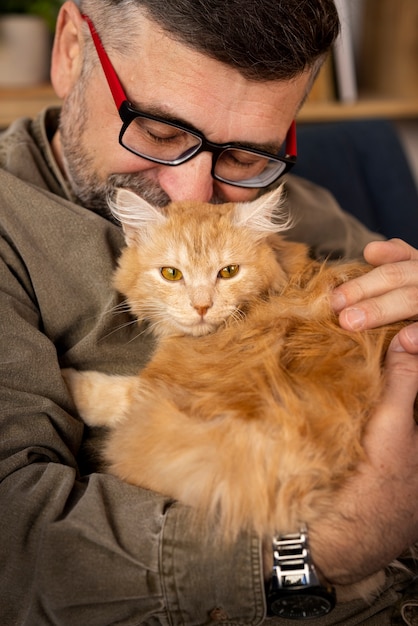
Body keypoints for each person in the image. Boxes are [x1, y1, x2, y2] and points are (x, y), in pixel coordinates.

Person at [1, 0, 418, 623]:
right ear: (71, 51)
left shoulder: (295, 201)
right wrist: (325, 548)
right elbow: (21, 548)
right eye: (161, 132)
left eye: (246, 155)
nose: (194, 192)